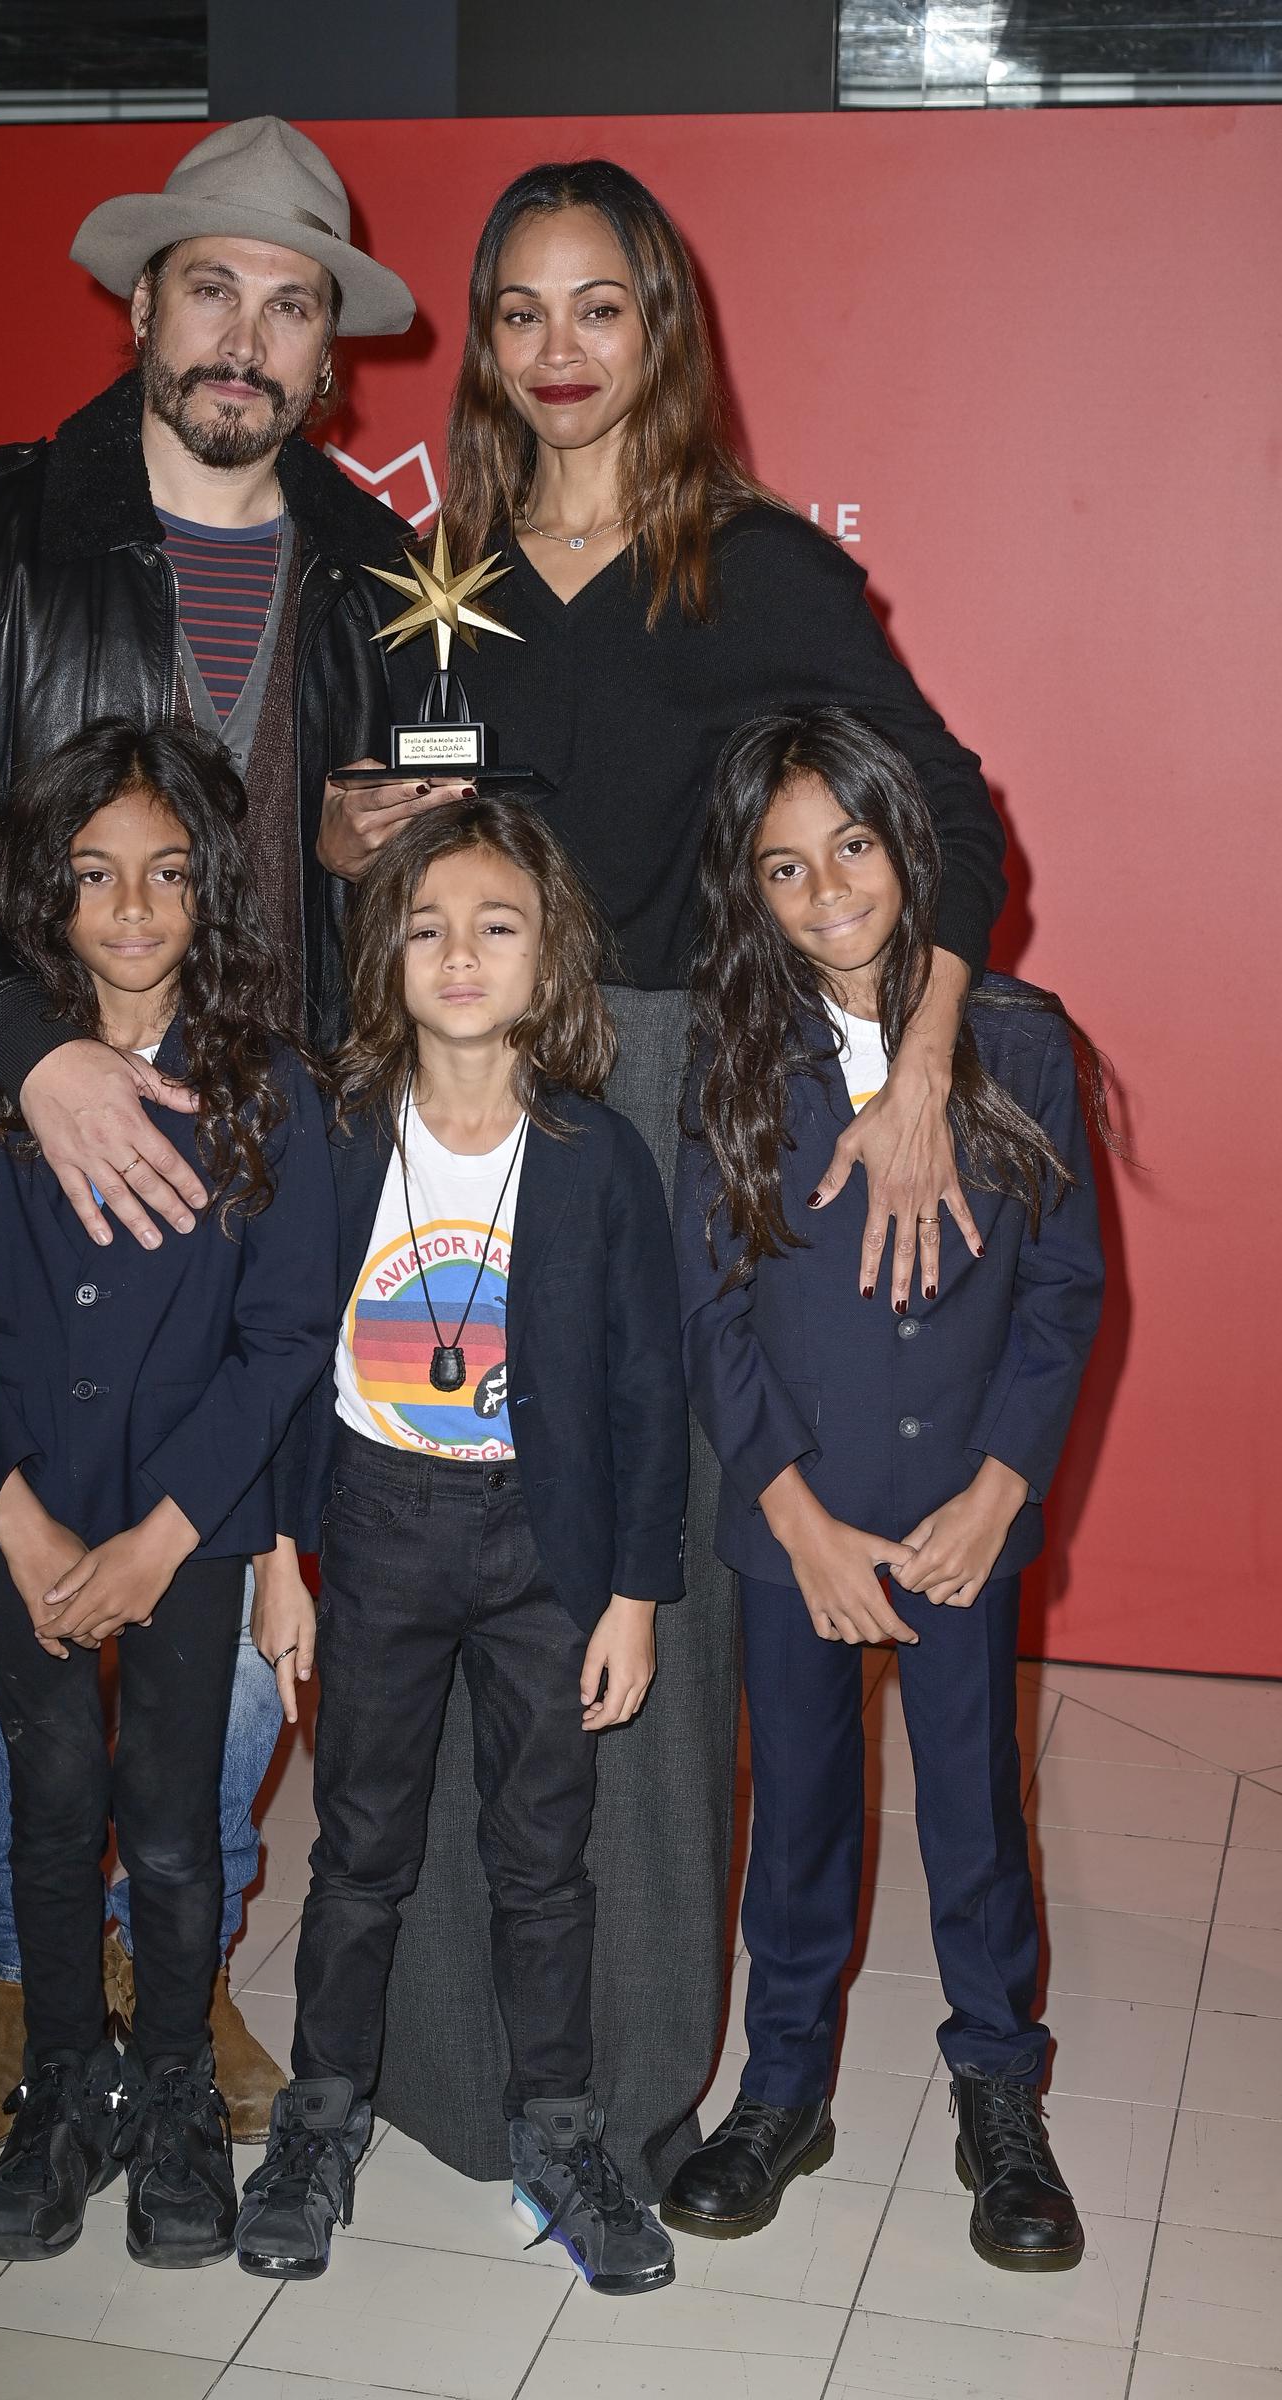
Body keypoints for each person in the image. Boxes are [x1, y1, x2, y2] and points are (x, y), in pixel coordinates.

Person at [322, 157, 1011, 2194]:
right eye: (517, 312)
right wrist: (359, 841)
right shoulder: (419, 576)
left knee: (650, 1597)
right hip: (455, 1100)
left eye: (595, 309)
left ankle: (619, 2082)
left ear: (660, 328)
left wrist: (915, 1072)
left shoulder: (757, 571)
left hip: (665, 1094)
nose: (554, 352)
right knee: (433, 1573)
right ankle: (439, 2069)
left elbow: (953, 825)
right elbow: (372, 851)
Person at [0, 115, 421, 2154]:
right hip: (32, 1156)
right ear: (138, 301)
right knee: (17, 1624)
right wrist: (24, 1052)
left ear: (328, 347)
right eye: (210, 285)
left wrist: (358, 876)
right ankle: (23, 1977)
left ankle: (184, 1971)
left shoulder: (369, 566)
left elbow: (411, 895)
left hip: (263, 1178)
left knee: (234, 1584)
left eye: (288, 300)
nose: (244, 333)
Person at [662, 708, 1109, 2272]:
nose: (826, 887)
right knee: (792, 1823)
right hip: (802, 1536)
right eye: (785, 866)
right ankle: (781, 2090)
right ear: (753, 890)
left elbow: (1062, 1296)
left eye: (850, 846)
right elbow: (709, 1308)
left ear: (910, 847)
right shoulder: (729, 1057)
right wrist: (788, 1509)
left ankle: (1000, 2087)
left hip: (962, 1528)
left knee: (978, 1819)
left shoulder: (1027, 1042)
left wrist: (1001, 1488)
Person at [0, 720, 336, 2267]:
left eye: (163, 875)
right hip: (31, 1528)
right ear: (45, 895)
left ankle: (170, 2097)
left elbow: (286, 1341)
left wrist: (164, 1540)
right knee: (45, 1807)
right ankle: (62, 2091)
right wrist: (12, 1522)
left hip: (185, 1530)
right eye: (94, 876)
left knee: (167, 1819)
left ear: (210, 892)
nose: (132, 909)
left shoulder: (272, 1090)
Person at [234, 799, 688, 2292]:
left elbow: (643, 1387)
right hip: (374, 1524)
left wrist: (633, 1587)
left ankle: (559, 2132)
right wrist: (278, 1557)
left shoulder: (596, 1159)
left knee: (542, 1859)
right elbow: (290, 1355)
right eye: (426, 927)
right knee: (359, 1849)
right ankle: (319, 2120)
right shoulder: (344, 1132)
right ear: (389, 959)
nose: (460, 953)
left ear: (547, 955)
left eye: (496, 925)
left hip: (544, 1550)